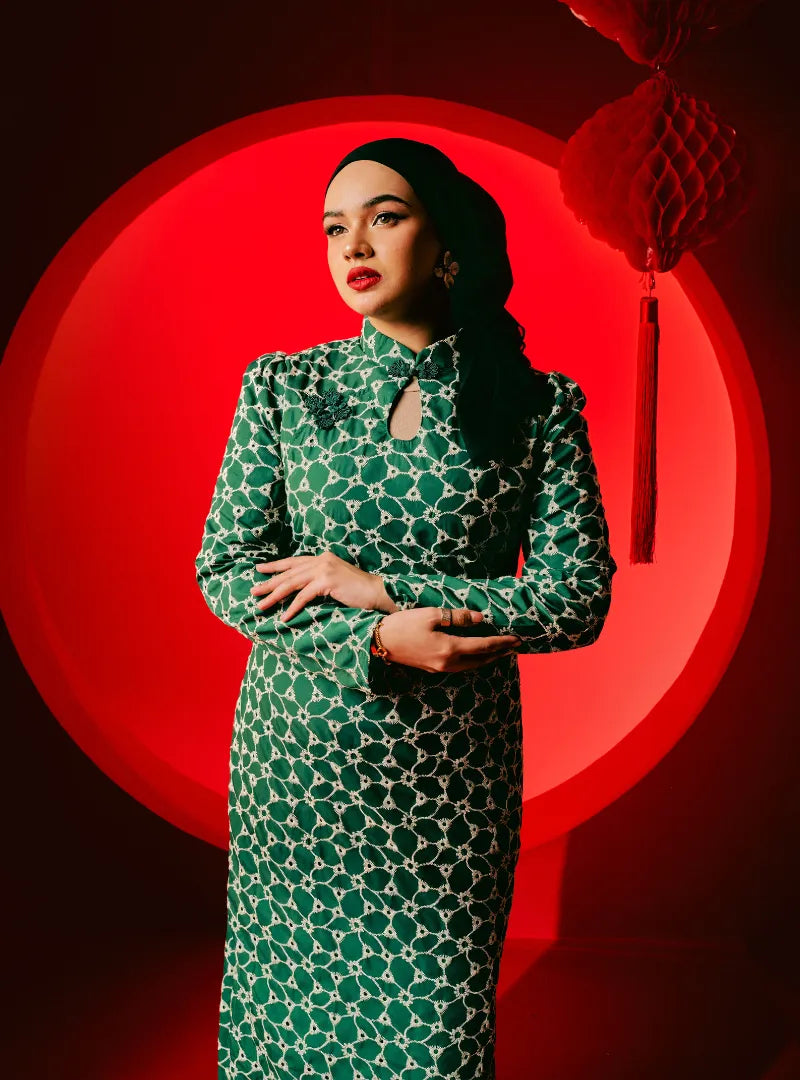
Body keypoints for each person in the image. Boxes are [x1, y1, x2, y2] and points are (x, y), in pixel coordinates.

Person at [195, 136, 618, 1080]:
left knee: (434, 1037)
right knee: (284, 1032)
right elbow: (226, 570)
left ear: (448, 244)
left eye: (385, 216)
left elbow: (575, 600)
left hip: (448, 781)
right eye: (336, 226)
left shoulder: (537, 406)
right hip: (296, 769)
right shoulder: (284, 386)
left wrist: (387, 587)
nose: (356, 243)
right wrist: (377, 635)